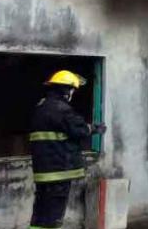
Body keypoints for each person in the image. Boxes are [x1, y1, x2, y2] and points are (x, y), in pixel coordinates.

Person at [30, 70, 106, 229]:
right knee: (53, 216)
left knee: (40, 213)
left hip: (43, 172)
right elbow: (78, 129)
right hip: (58, 171)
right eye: (72, 89)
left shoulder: (40, 107)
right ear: (66, 90)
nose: (72, 93)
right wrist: (94, 128)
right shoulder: (61, 109)